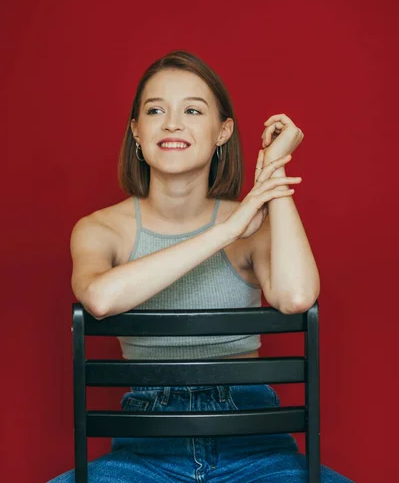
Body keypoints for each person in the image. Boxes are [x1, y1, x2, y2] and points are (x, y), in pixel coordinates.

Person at [48, 50, 353, 482]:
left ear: (223, 131)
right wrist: (228, 230)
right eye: (155, 110)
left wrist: (272, 173)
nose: (172, 123)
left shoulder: (256, 223)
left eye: (193, 110)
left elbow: (297, 295)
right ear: (136, 130)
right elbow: (99, 298)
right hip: (144, 447)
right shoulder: (100, 229)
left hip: (255, 441)